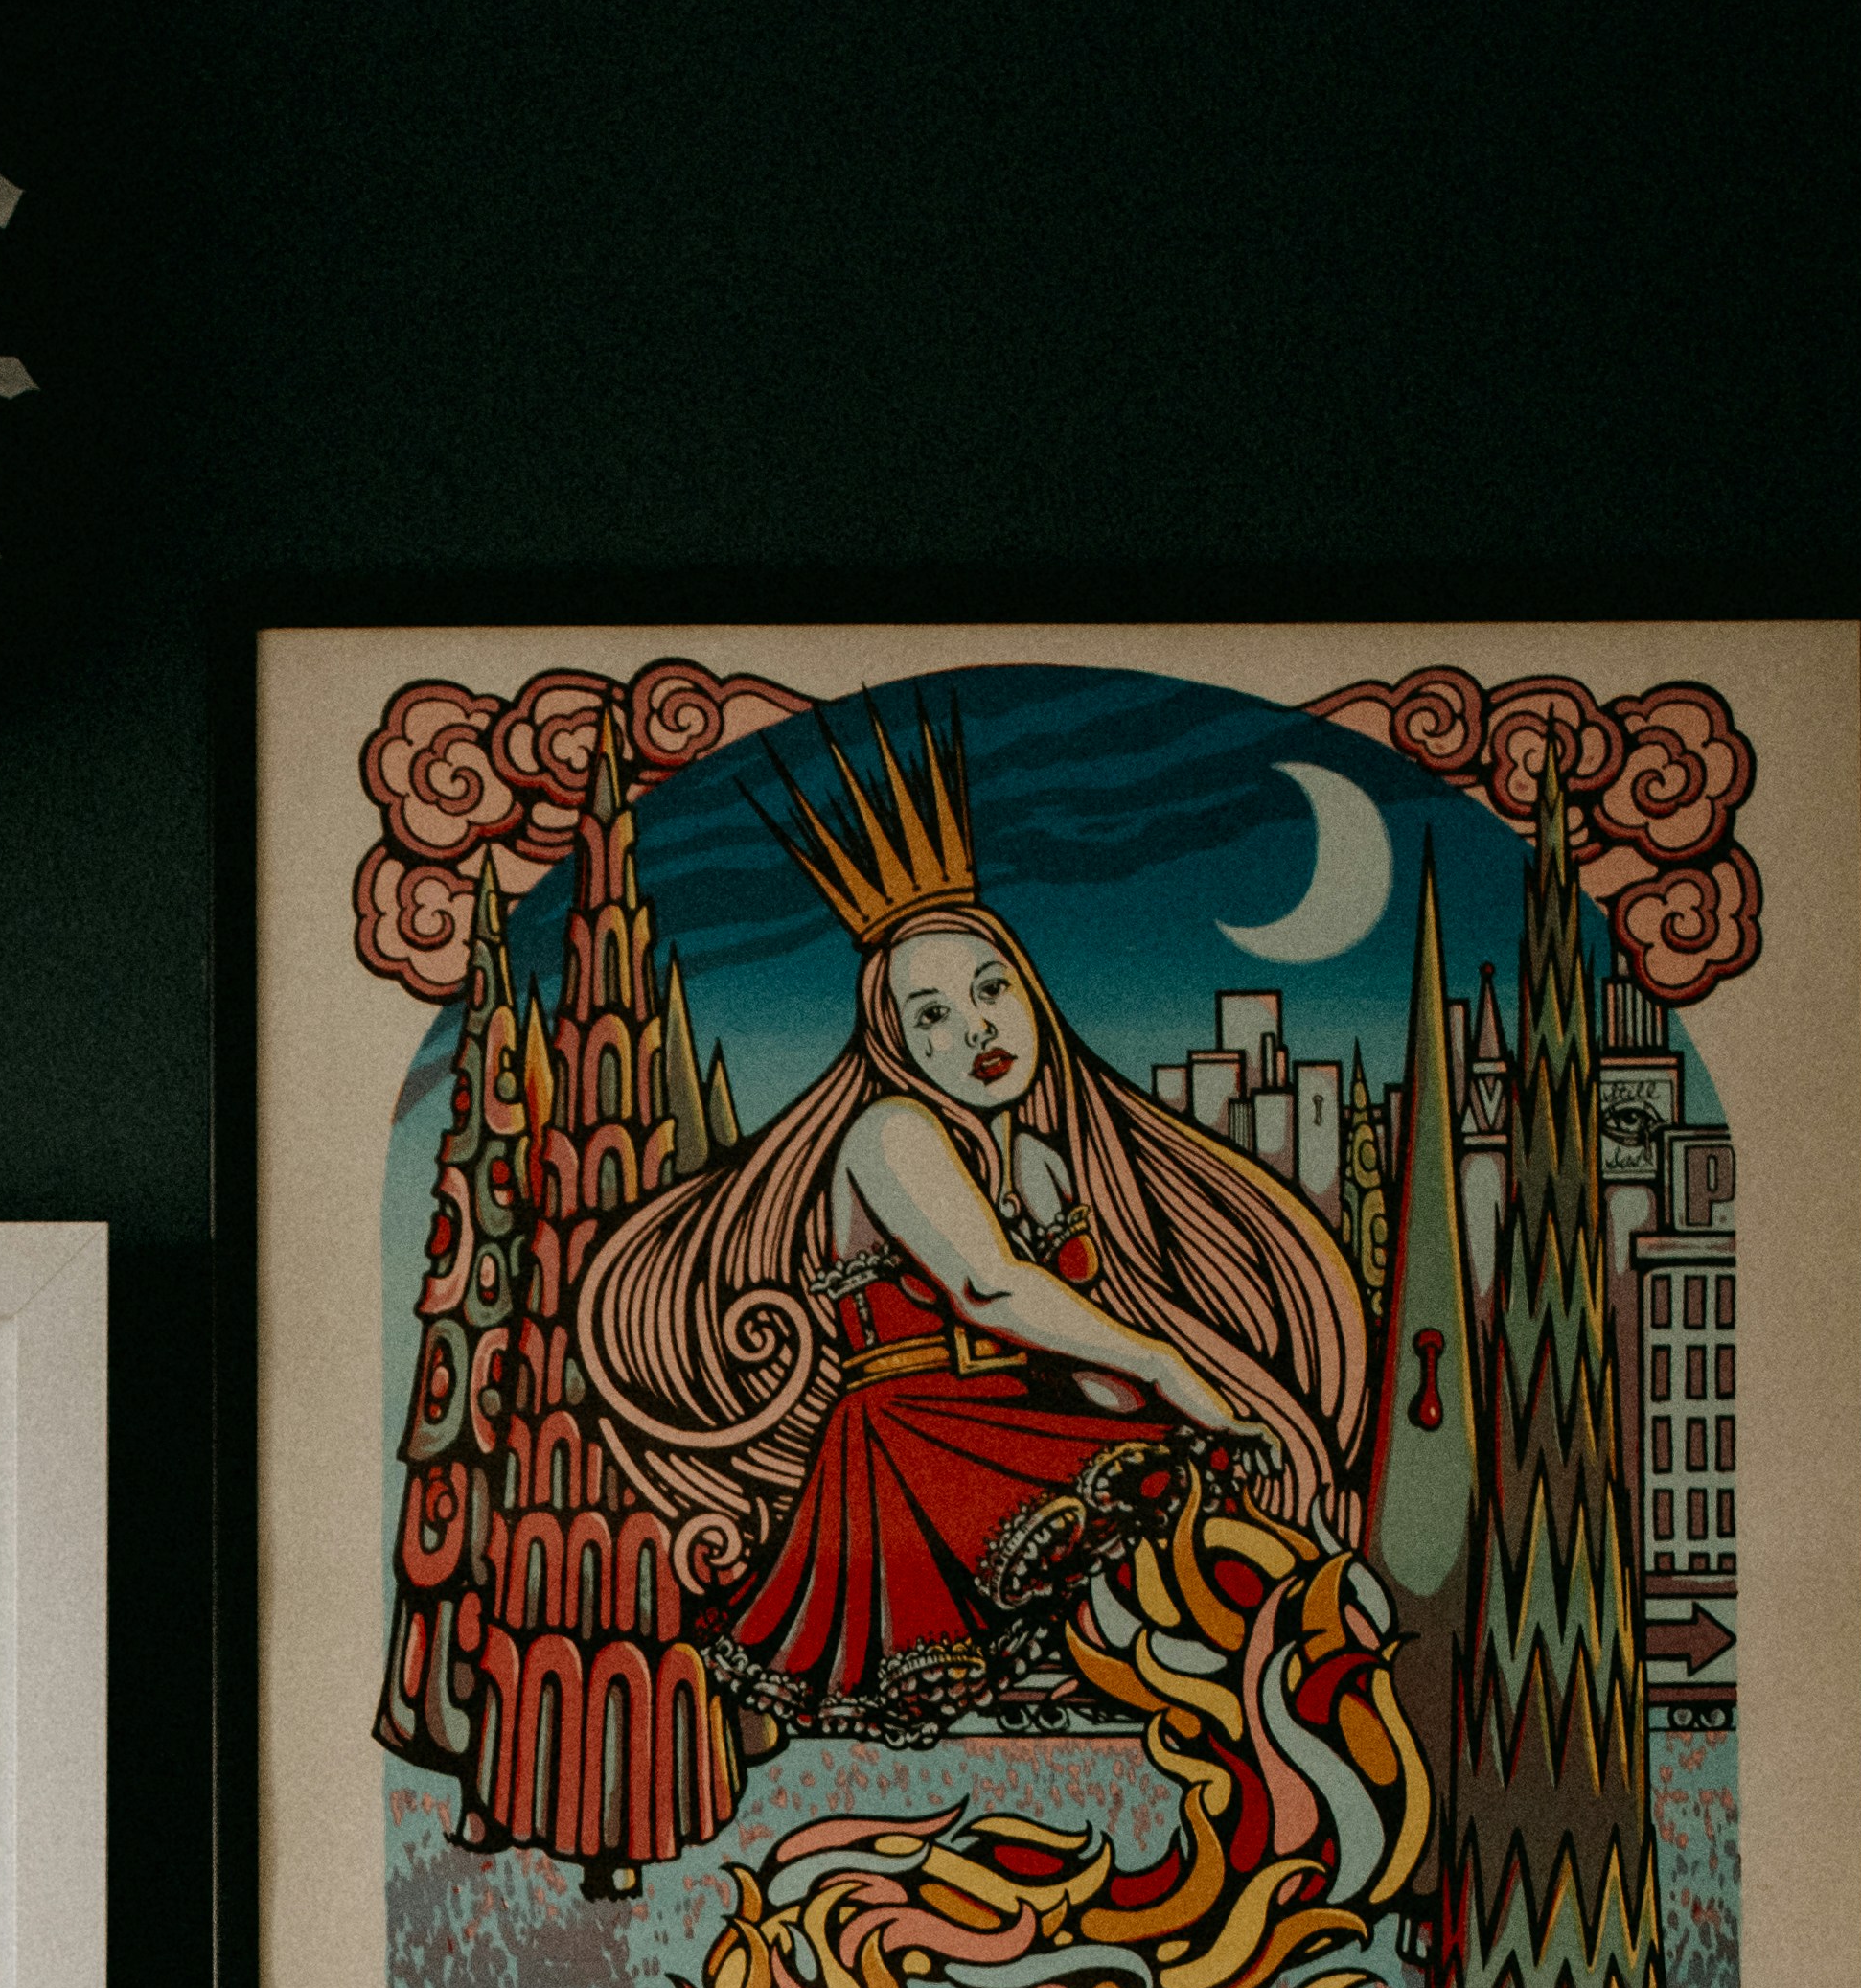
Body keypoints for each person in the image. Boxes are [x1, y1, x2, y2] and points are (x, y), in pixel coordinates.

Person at [566, 724, 1368, 1719]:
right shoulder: (890, 1131)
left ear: (1029, 992)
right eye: (932, 1015)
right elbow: (987, 1287)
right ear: (891, 1039)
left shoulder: (1031, 1159)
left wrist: (1151, 1412)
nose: (977, 1029)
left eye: (989, 991)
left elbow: (1072, 1347)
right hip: (916, 1451)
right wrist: (1165, 1368)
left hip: (1011, 1427)